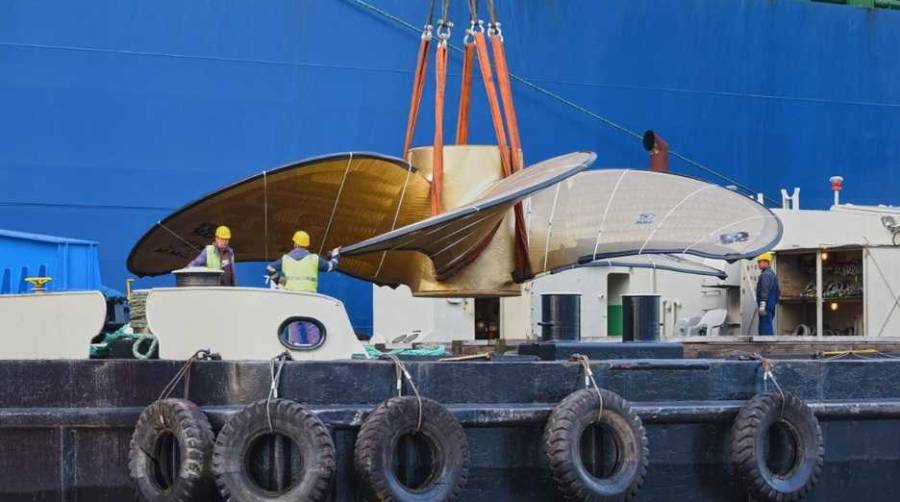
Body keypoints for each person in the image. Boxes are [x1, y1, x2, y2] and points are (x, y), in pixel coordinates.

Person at [267, 230, 340, 293]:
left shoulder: (286, 259)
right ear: (307, 244)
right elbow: (331, 266)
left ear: (295, 244)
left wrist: (281, 281)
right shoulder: (314, 259)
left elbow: (269, 268)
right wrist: (335, 255)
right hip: (310, 296)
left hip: (291, 296)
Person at [755, 251, 780, 336]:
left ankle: (766, 348)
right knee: (768, 325)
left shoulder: (765, 275)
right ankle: (769, 347)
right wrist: (772, 304)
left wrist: (762, 305)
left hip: (765, 306)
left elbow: (764, 290)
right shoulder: (773, 274)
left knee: (765, 329)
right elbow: (778, 292)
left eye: (759, 262)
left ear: (766, 262)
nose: (758, 264)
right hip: (770, 305)